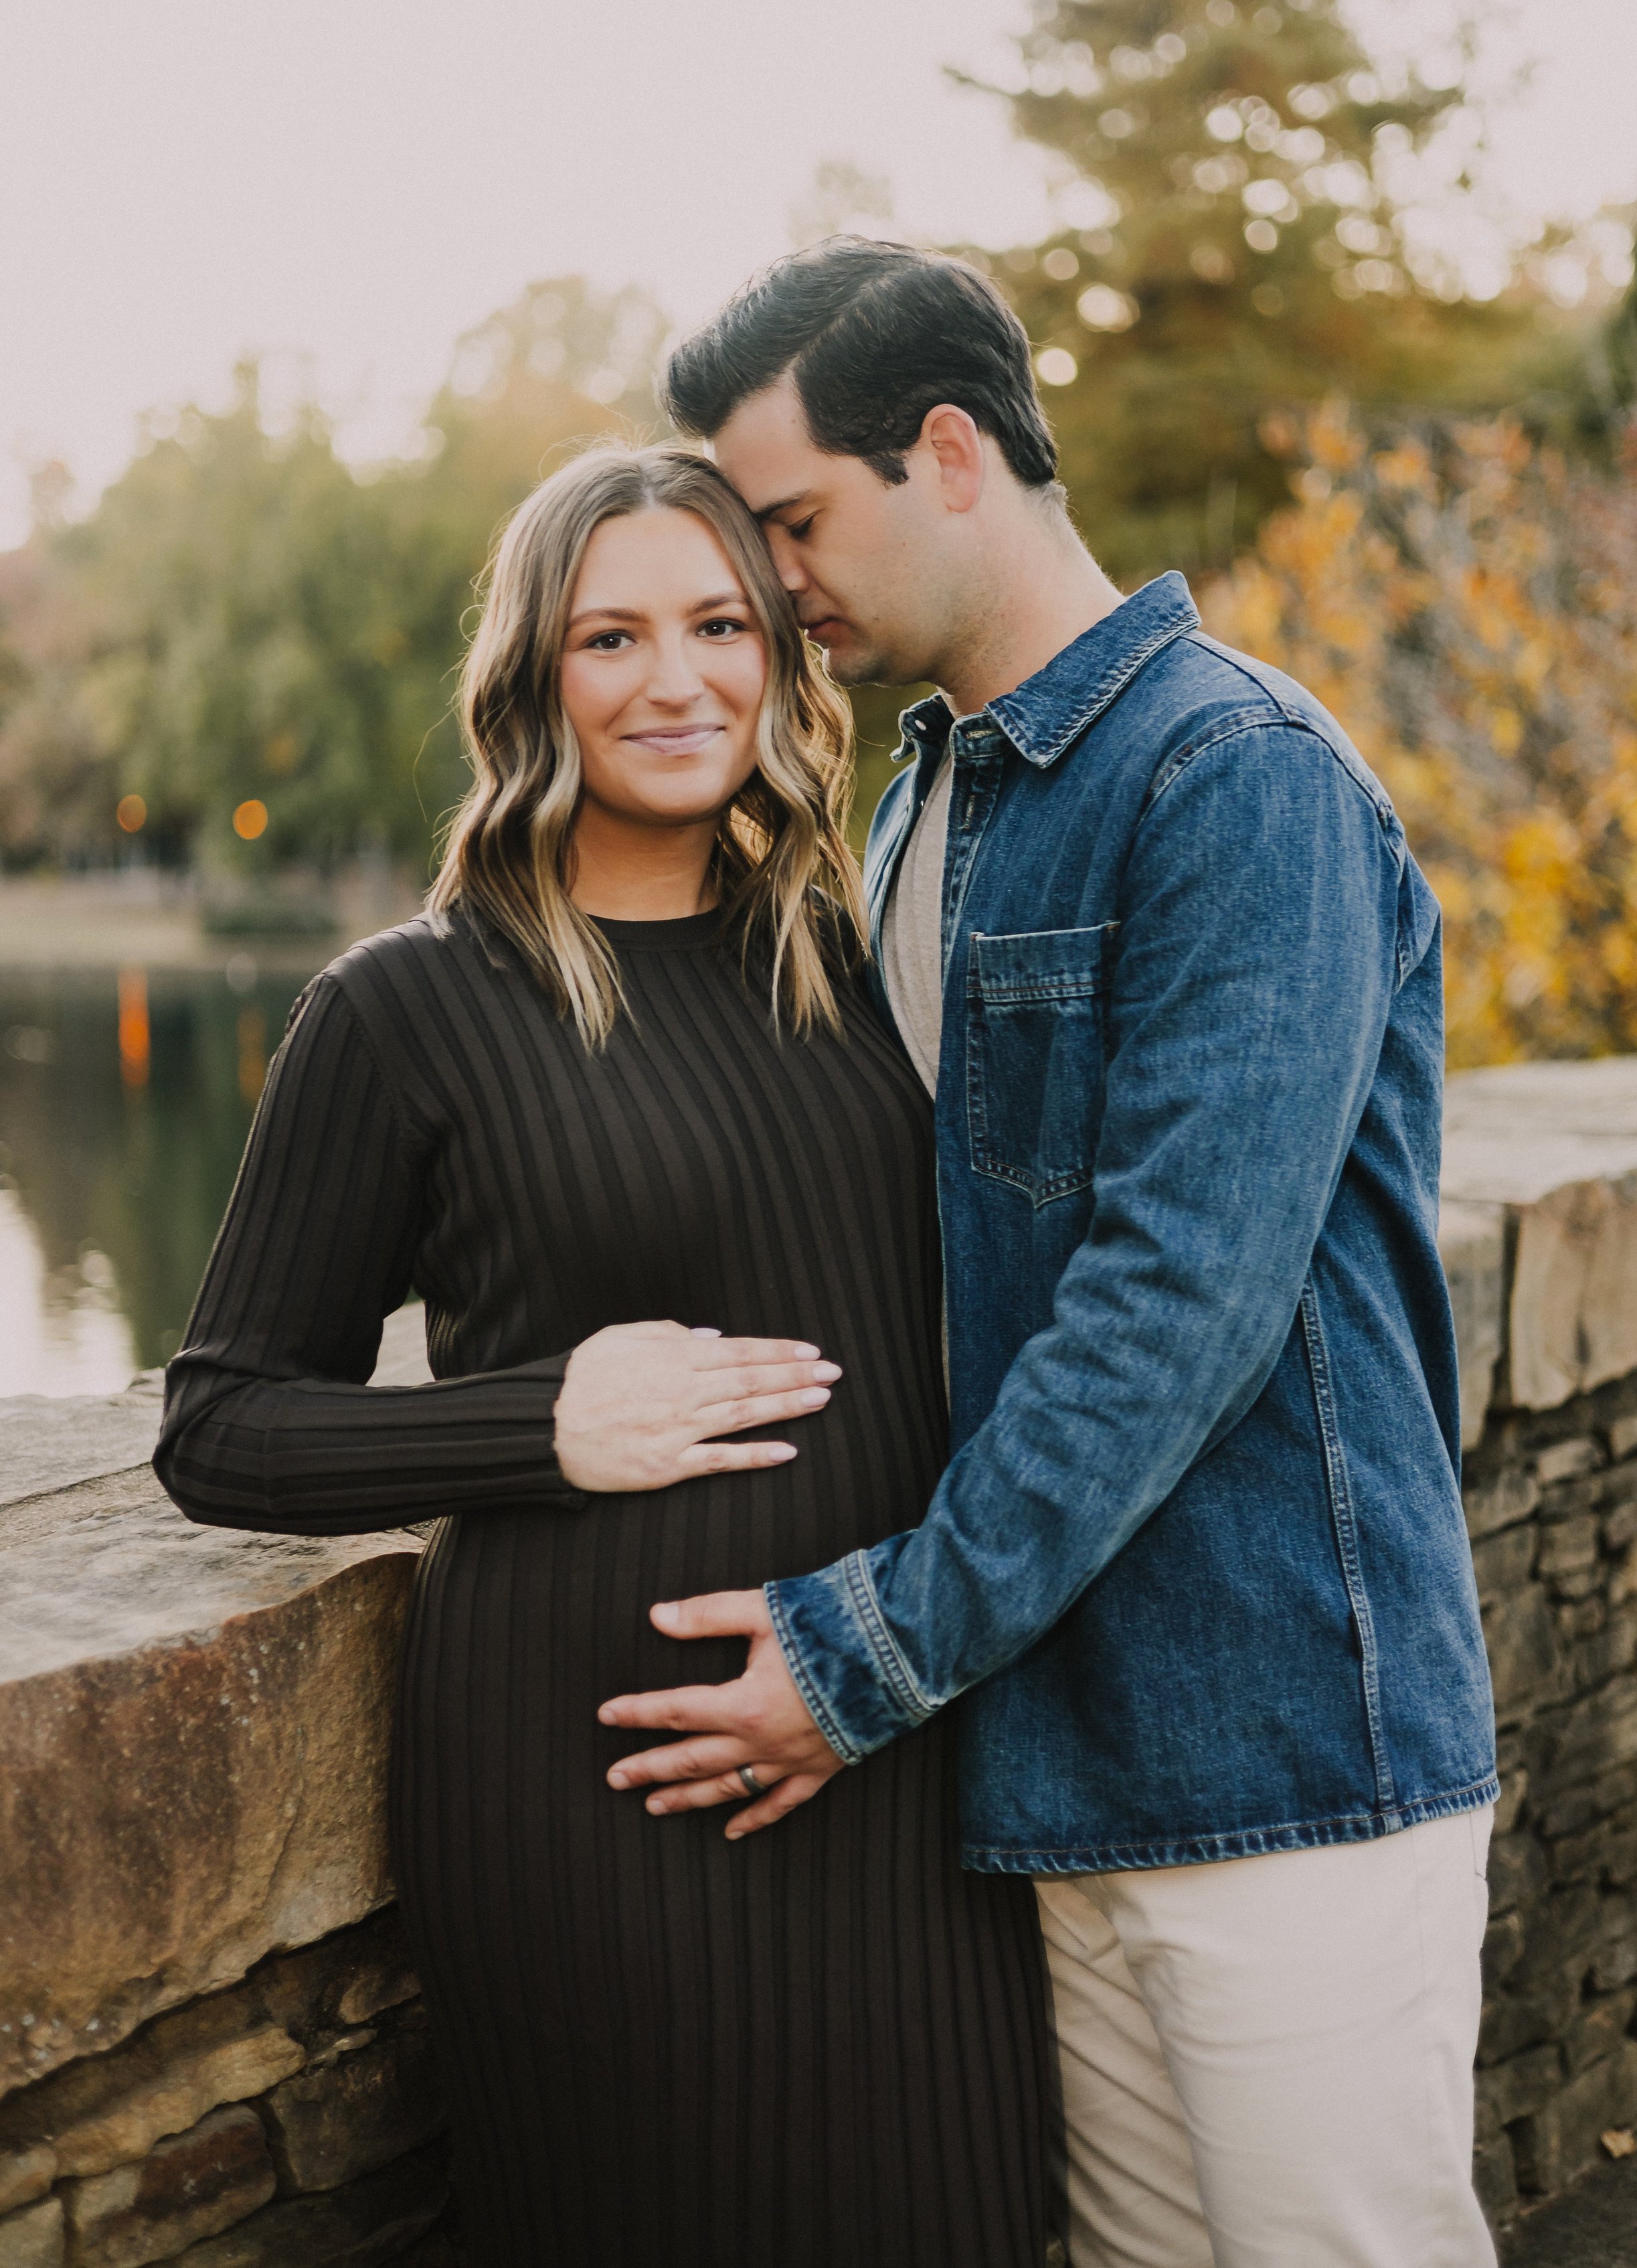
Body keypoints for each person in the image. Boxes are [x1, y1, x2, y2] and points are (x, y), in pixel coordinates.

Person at [596, 240, 1502, 2268]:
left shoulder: (1230, 777)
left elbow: (1169, 1308)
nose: (777, 585)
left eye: (797, 524)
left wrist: (855, 1657)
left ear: (945, 453)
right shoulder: (934, 804)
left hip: (1284, 1751)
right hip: (1049, 1757)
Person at [153, 443, 1056, 2268]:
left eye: (719, 622)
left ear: (776, 652)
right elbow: (221, 1426)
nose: (676, 679)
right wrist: (540, 1420)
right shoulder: (404, 1007)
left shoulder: (835, 949)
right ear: (531, 678)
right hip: (604, 1795)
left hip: (888, 1747)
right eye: (611, 635)